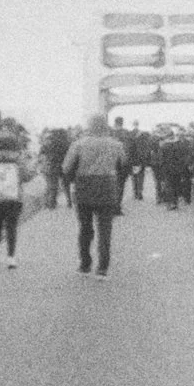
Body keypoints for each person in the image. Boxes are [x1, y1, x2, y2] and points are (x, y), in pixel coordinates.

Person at [62, 114, 126, 278]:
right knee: (105, 230)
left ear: (89, 126)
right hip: (107, 187)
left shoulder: (78, 144)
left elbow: (66, 167)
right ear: (106, 126)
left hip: (84, 187)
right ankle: (103, 268)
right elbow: (123, 166)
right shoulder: (117, 145)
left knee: (85, 228)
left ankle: (85, 265)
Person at [0, 134, 30, 267]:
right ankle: (11, 257)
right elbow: (26, 177)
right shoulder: (18, 161)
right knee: (11, 227)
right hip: (14, 199)